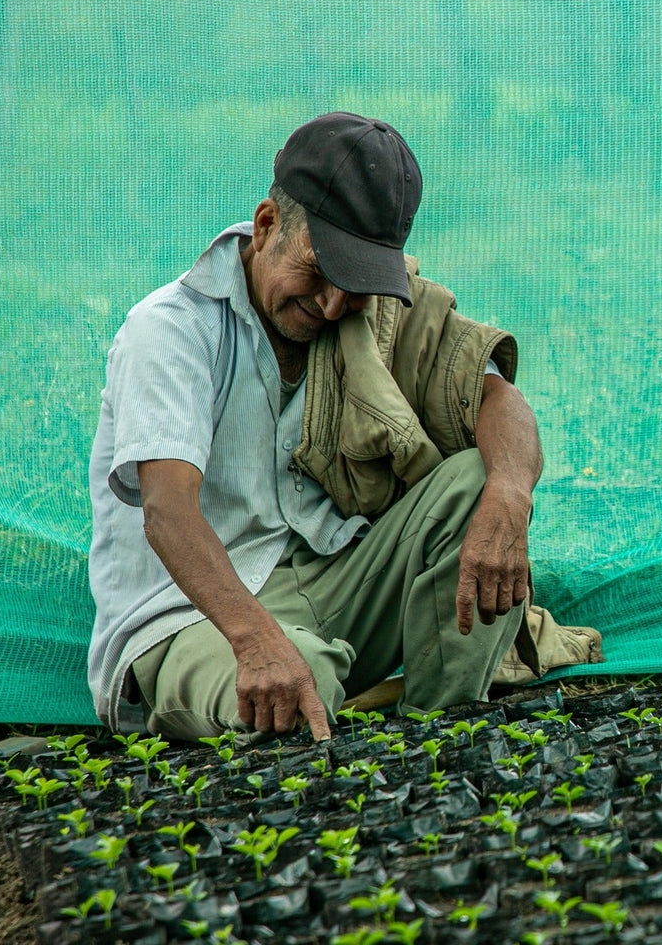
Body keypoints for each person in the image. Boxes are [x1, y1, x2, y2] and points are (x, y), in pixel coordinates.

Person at [87, 112, 547, 741]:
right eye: (318, 272)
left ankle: (442, 737)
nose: (333, 305)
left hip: (326, 580)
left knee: (479, 480)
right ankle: (325, 695)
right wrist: (256, 641)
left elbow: (496, 399)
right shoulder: (171, 331)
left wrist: (511, 494)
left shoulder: (370, 318)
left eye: (354, 284)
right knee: (301, 678)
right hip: (191, 619)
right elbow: (168, 511)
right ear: (268, 225)